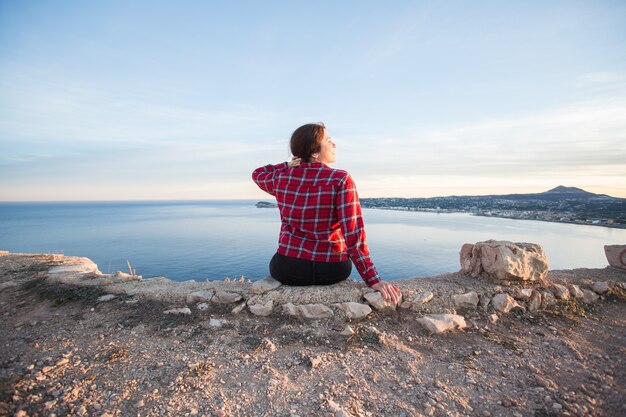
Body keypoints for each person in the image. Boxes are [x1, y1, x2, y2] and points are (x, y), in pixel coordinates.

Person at [252, 123, 400, 303]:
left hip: (287, 269)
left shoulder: (282, 177)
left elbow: (258, 173)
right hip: (332, 270)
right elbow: (353, 234)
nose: (334, 144)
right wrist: (372, 279)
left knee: (280, 260)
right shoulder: (341, 180)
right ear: (315, 152)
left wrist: (287, 165)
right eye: (329, 141)